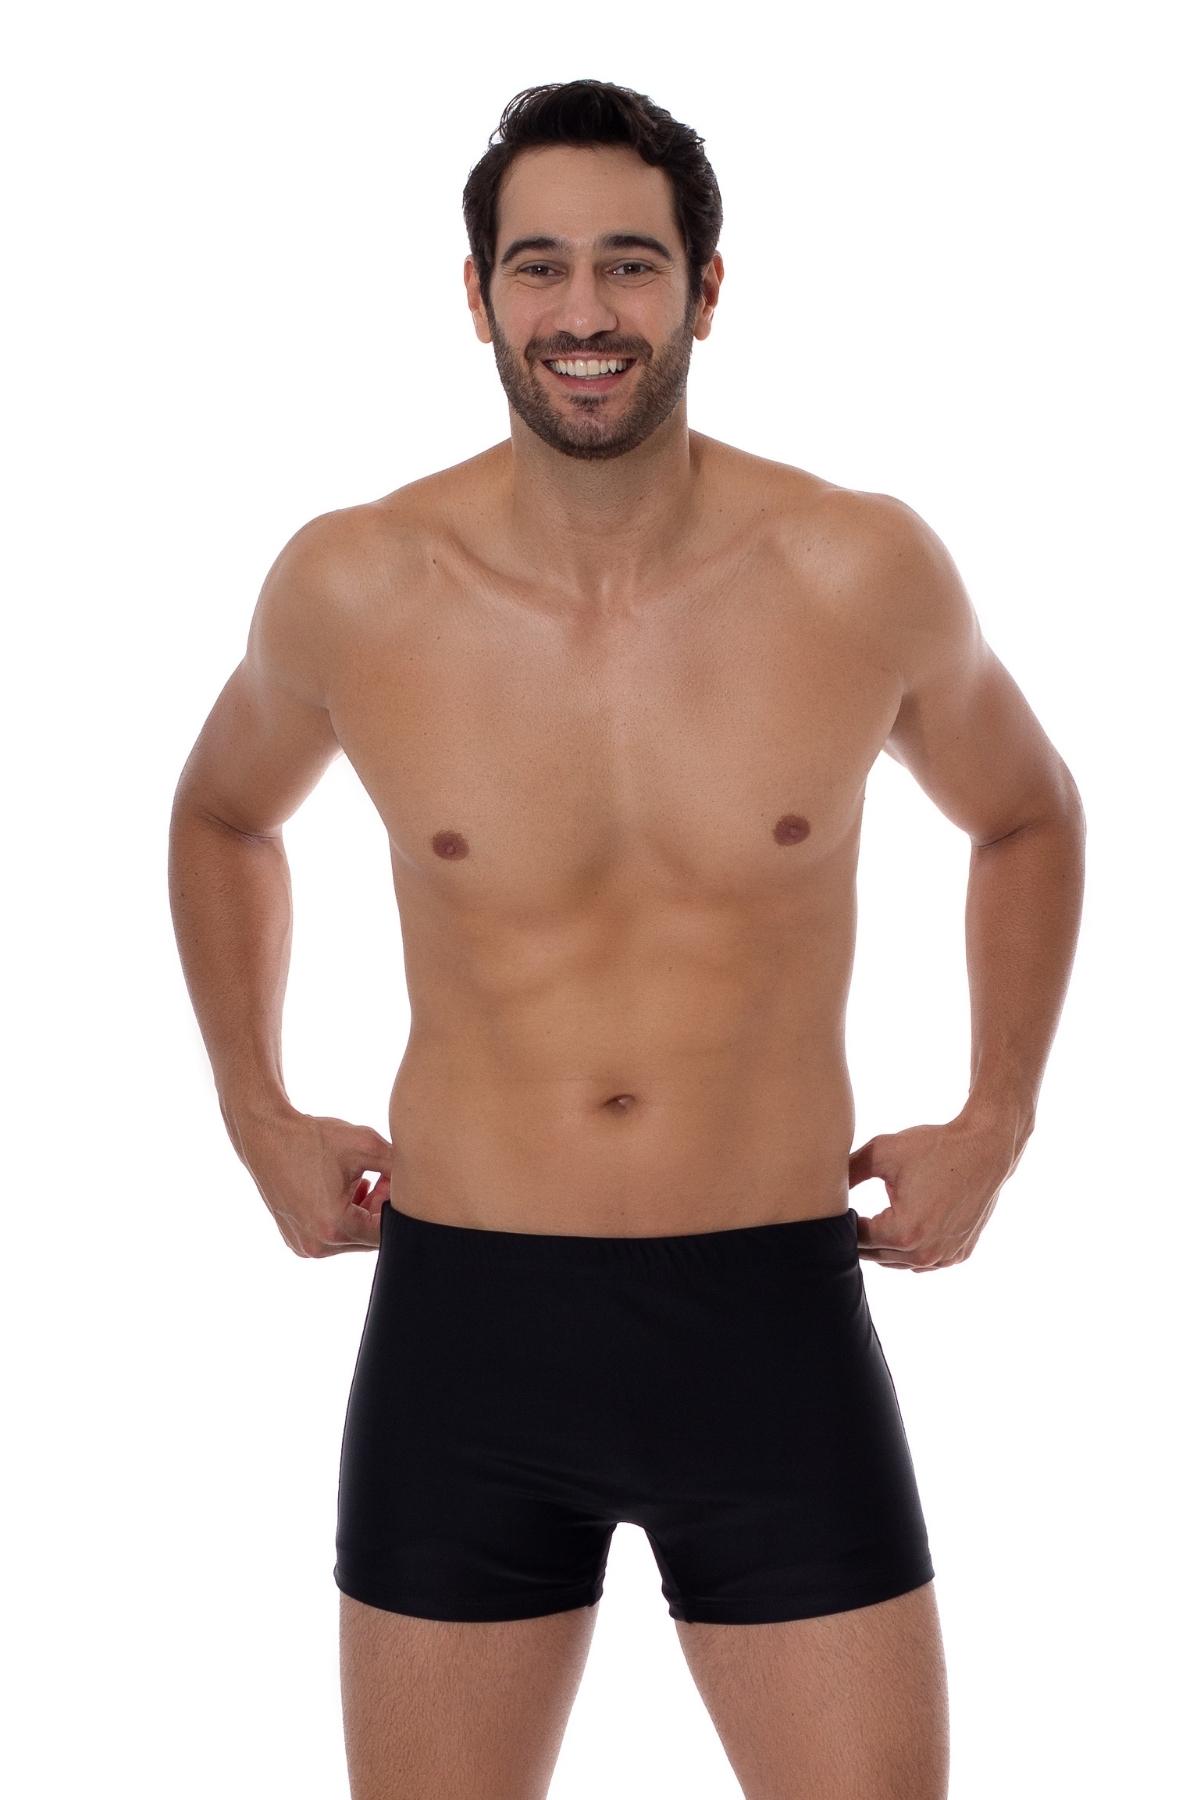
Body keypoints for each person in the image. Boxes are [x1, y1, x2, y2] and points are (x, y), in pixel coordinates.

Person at [167, 77, 1086, 1800]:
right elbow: (222, 814)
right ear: (478, 296)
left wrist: (1001, 1115)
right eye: (538, 266)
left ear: (704, 289)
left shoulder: (855, 569)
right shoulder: (356, 585)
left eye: (629, 264)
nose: (582, 311)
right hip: (466, 1327)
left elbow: (1026, 813)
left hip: (770, 1320)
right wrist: (252, 1105)